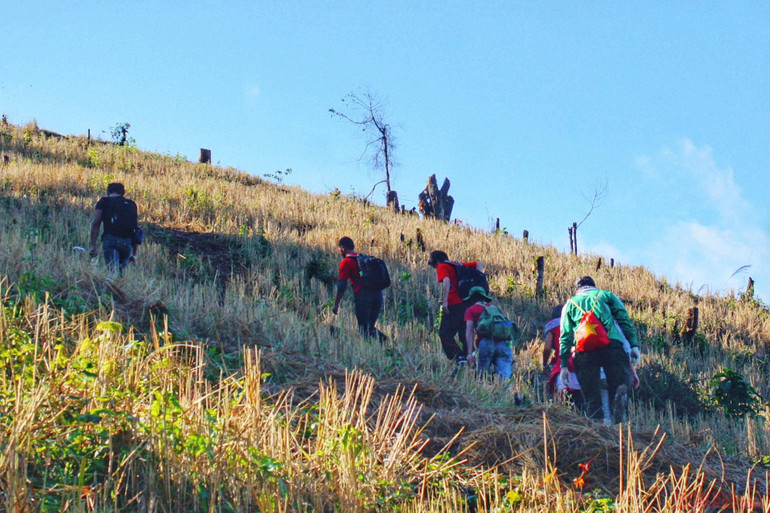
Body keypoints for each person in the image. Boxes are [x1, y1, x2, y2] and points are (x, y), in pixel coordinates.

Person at [559, 276, 641, 422]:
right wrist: (633, 345)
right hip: (612, 346)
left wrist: (564, 365)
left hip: (584, 350)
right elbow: (624, 320)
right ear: (594, 286)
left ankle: (597, 428)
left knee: (591, 397)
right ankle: (619, 427)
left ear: (577, 290)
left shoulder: (570, 304)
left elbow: (565, 336)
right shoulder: (607, 295)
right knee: (619, 390)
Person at [427, 250, 484, 362]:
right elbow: (479, 264)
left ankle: (458, 357)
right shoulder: (457, 264)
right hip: (467, 304)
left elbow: (446, 280)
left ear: (436, 261)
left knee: (444, 333)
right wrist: (479, 277)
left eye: (434, 265)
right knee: (464, 333)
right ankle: (470, 357)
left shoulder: (442, 266)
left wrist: (445, 302)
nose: (435, 268)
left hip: (454, 303)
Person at [332, 236, 386, 341]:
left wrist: (336, 304)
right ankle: (385, 344)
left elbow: (341, 285)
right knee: (369, 328)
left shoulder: (346, 262)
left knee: (364, 329)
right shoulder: (364, 258)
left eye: (339, 249)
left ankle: (384, 342)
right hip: (378, 295)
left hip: (363, 297)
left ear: (343, 248)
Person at [463, 286, 513, 379]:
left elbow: (469, 331)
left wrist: (470, 353)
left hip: (486, 342)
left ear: (472, 298)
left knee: (482, 377)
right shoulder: (495, 309)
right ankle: (506, 388)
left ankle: (485, 387)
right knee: (505, 377)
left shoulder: (471, 310)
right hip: (504, 343)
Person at [89, 182, 139, 274]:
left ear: (108, 192)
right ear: (123, 193)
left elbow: (96, 223)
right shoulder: (131, 204)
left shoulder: (104, 202)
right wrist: (134, 254)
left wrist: (93, 245)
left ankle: (112, 282)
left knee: (112, 272)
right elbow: (136, 230)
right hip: (127, 242)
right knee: (121, 273)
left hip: (110, 239)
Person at [542, 304, 584, 410]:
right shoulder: (578, 323)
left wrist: (544, 364)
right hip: (580, 361)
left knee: (563, 396)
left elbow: (547, 348)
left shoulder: (552, 325)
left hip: (562, 363)